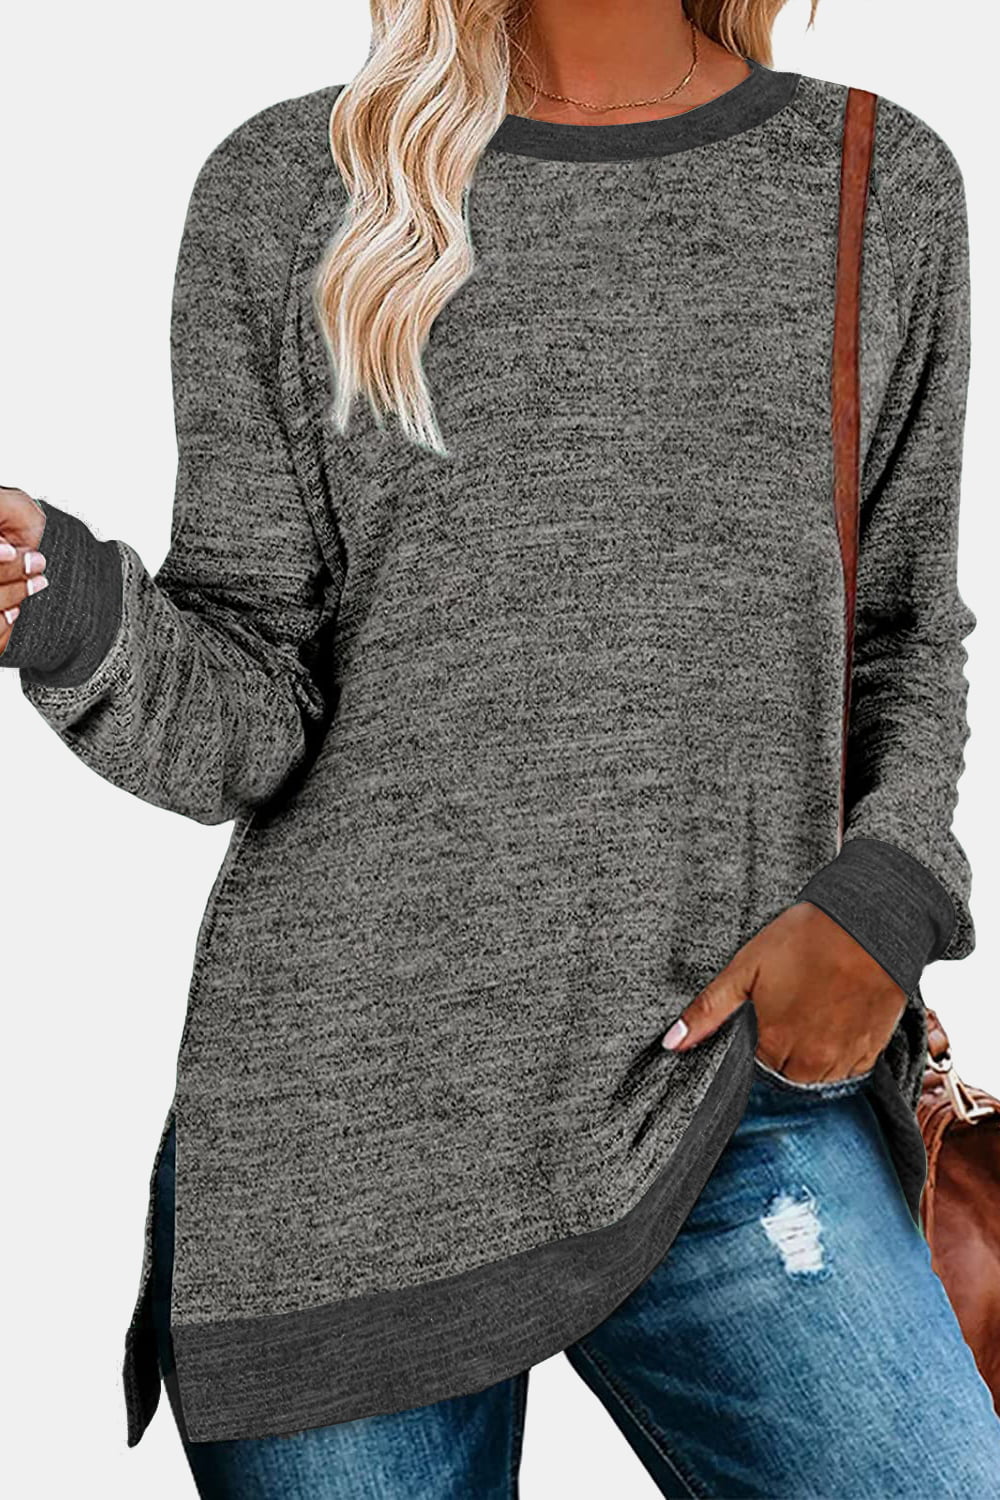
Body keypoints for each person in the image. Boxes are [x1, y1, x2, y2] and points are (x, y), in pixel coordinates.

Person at [3, 1, 999, 1495]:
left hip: (722, 1087)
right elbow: (253, 712)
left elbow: (903, 622)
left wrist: (885, 898)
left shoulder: (872, 177)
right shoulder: (289, 190)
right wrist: (67, 608)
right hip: (347, 1143)